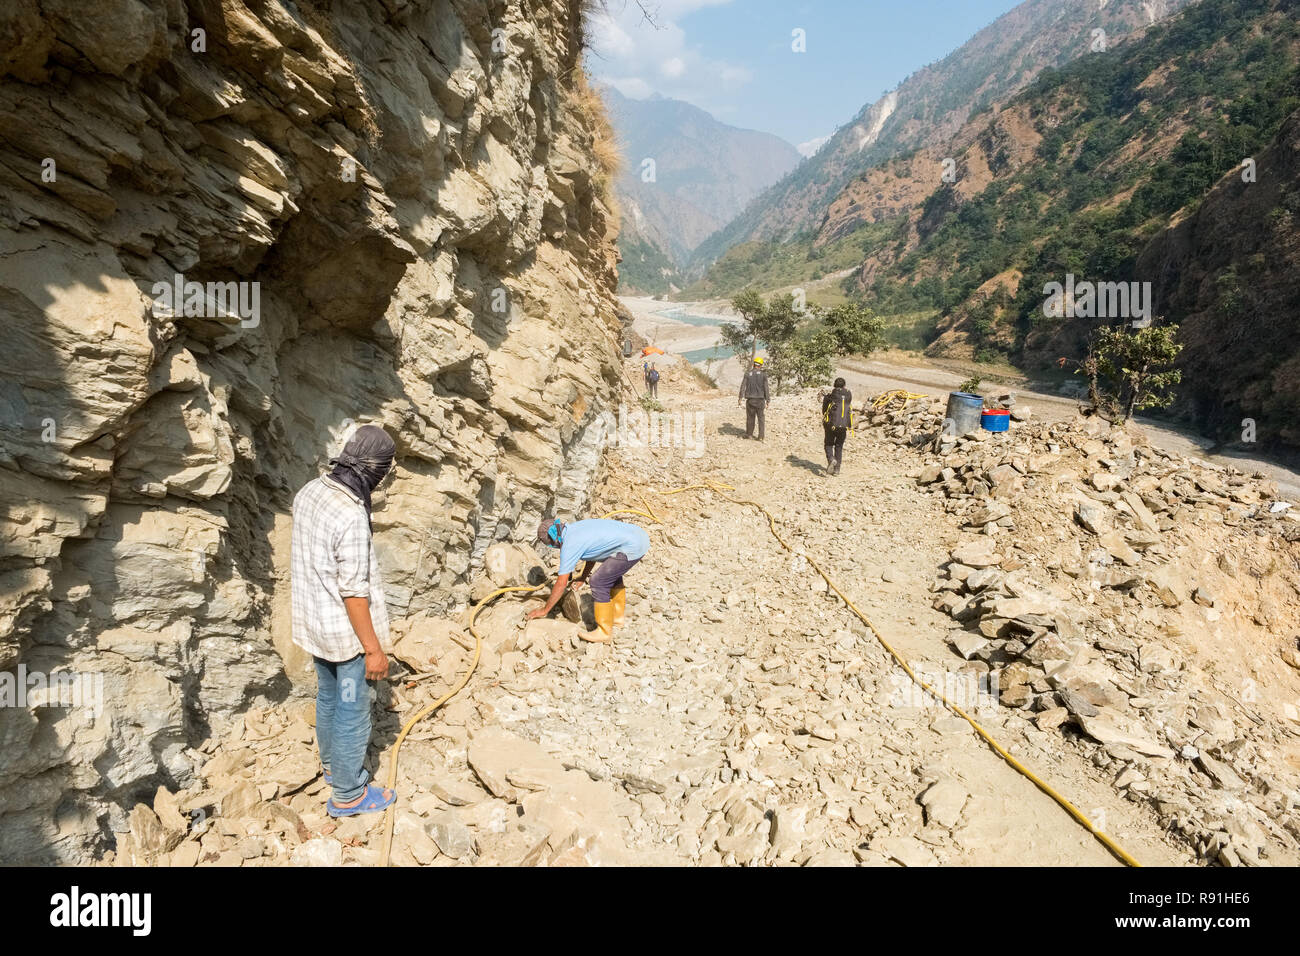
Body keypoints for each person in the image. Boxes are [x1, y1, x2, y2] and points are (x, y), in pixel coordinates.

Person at [291, 424, 397, 817]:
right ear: (374, 469)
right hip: (346, 636)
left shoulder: (311, 491)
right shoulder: (350, 515)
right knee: (353, 705)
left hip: (314, 625)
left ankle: (334, 766)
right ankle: (349, 794)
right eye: (383, 471)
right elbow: (353, 592)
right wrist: (373, 650)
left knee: (328, 696)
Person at [528, 517, 650, 643]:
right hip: (638, 535)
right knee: (611, 574)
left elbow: (561, 583)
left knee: (598, 581)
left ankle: (604, 632)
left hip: (633, 546)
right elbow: (592, 553)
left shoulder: (569, 544)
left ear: (552, 542)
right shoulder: (573, 529)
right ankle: (617, 618)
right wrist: (582, 577)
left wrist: (544, 610)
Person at [821, 377, 853, 476]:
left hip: (831, 424)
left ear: (834, 385)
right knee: (839, 446)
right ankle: (837, 470)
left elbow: (824, 411)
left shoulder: (830, 396)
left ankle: (831, 459)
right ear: (844, 386)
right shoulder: (849, 395)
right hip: (844, 425)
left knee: (828, 444)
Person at [738, 356, 770, 440]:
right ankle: (761, 436)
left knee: (750, 418)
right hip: (760, 400)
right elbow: (766, 388)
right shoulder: (763, 375)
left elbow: (743, 386)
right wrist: (768, 400)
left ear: (753, 364)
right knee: (761, 418)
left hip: (750, 400)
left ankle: (749, 435)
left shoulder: (748, 373)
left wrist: (740, 398)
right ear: (761, 365)